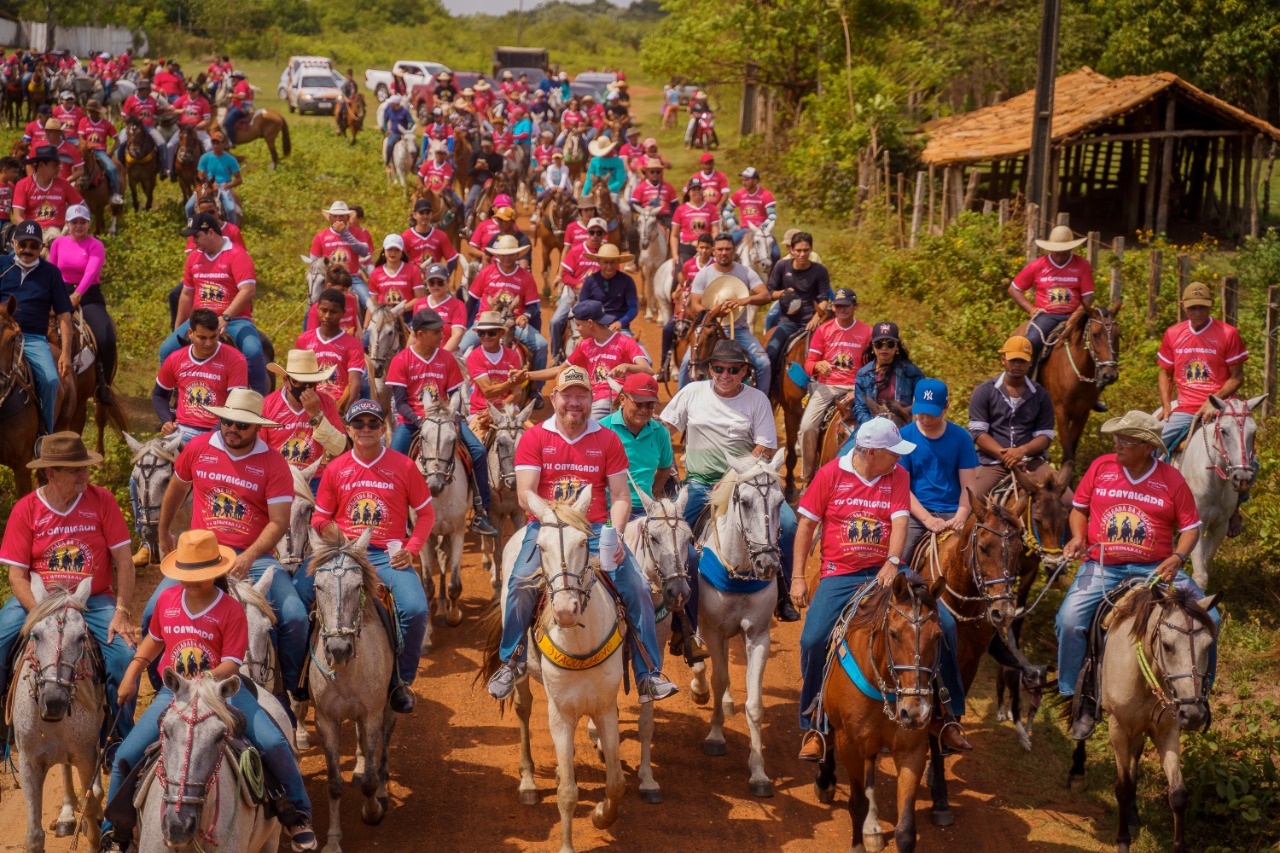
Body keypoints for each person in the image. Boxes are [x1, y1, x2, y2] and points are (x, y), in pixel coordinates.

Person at [100, 530, 317, 853]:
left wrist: (202, 681)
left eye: (199, 575)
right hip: (175, 696)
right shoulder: (167, 601)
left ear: (216, 571)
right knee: (126, 756)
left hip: (224, 693)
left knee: (274, 743)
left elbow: (231, 663)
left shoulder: (229, 609)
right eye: (186, 574)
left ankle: (297, 814)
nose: (191, 581)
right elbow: (154, 640)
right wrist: (132, 672)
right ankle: (114, 833)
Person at [485, 366, 679, 703]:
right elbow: (525, 494)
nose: (574, 402)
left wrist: (614, 536)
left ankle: (648, 673)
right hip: (546, 527)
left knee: (636, 588)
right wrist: (554, 520)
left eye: (582, 395)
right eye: (568, 395)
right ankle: (512, 661)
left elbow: (620, 495)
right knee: (518, 583)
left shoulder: (607, 439)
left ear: (591, 399)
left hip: (594, 532)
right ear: (554, 397)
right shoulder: (535, 438)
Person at [791, 417, 969, 759]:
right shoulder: (830, 474)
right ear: (871, 452)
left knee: (943, 624)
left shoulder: (897, 475)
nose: (899, 460)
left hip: (888, 570)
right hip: (839, 573)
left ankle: (948, 716)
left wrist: (891, 561)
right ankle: (815, 722)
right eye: (893, 453)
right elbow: (805, 526)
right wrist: (799, 576)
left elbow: (900, 521)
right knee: (812, 639)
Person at [1056, 411, 1219, 739]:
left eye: (1125, 440)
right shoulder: (1101, 467)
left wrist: (1177, 556)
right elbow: (1079, 509)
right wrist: (1077, 537)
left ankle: (1202, 693)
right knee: (1069, 620)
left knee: (1209, 615)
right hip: (1102, 565)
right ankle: (1080, 697)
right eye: (1117, 438)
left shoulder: (1171, 479)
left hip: (1156, 569)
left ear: (1147, 446)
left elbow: (1190, 529)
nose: (1117, 445)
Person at [142, 389, 308, 709]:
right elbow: (177, 489)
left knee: (295, 617)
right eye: (227, 421)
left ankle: (287, 691)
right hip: (201, 556)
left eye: (241, 425)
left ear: (258, 428)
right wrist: (164, 533)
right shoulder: (198, 447)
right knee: (151, 612)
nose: (232, 428)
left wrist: (248, 556)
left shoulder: (273, 463)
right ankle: (164, 689)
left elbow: (278, 522)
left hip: (254, 555)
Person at [0, 432, 138, 742]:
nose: (84, 474)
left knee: (125, 657)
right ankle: (4, 728)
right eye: (75, 469)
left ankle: (118, 739)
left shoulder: (102, 500)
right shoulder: (26, 509)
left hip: (94, 600)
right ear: (50, 473)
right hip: (39, 599)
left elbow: (125, 562)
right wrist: (40, 614)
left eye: (85, 467)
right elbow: (16, 576)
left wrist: (122, 611)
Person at [304, 400, 433, 713]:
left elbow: (426, 513)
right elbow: (318, 519)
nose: (365, 429)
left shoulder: (403, 466)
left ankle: (401, 681)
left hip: (387, 556)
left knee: (415, 609)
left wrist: (411, 548)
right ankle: (299, 684)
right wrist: (340, 538)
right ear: (347, 429)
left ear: (382, 428)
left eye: (372, 423)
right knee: (297, 602)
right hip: (344, 555)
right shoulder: (335, 468)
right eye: (358, 424)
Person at [662, 339, 799, 622]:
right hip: (699, 482)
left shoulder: (757, 400)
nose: (725, 375)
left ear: (745, 373)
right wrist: (665, 463)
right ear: (709, 369)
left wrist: (732, 477)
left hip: (746, 481)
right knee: (669, 529)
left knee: (787, 523)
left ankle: (782, 590)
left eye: (733, 370)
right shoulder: (691, 392)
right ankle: (669, 595)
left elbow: (765, 446)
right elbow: (665, 429)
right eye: (718, 368)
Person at [387, 308, 497, 536]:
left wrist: (453, 418)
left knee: (477, 451)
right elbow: (400, 402)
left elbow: (455, 395)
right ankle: (396, 518)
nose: (442, 335)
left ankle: (480, 511)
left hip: (446, 419)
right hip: (413, 422)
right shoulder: (401, 360)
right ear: (419, 334)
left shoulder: (447, 358)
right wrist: (419, 421)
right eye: (436, 331)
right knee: (391, 461)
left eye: (441, 330)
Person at [161, 213, 267, 395]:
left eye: (196, 236)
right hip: (200, 319)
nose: (193, 242)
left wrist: (225, 317)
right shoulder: (193, 258)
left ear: (211, 232)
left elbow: (248, 290)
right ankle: (173, 399)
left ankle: (258, 402)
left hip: (235, 320)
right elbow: (186, 294)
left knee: (253, 352)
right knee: (166, 350)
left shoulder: (237, 255)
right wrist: (178, 327)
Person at [1157, 281, 1249, 449]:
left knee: (1245, 451)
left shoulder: (1228, 334)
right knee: (1151, 444)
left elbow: (1237, 377)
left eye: (1202, 307)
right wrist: (1166, 405)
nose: (1198, 313)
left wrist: (1213, 402)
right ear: (1182, 305)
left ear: (1211, 305)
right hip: (1186, 407)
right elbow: (1165, 373)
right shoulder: (1173, 333)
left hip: (1223, 405)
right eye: (1192, 308)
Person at [0, 220, 72, 434]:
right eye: (23, 245)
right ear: (14, 243)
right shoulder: (2, 265)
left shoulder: (51, 273)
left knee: (50, 381)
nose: (27, 250)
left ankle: (45, 434)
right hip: (1, 334)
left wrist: (66, 353)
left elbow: (64, 315)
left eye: (33, 245)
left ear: (42, 248)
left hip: (32, 339)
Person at [897, 379, 979, 563]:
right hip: (916, 514)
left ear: (946, 407)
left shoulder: (961, 437)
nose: (925, 419)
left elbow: (969, 486)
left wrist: (960, 515)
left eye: (932, 414)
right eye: (921, 413)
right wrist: (927, 519)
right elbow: (901, 487)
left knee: (982, 556)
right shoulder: (904, 437)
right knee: (899, 558)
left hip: (953, 512)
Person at [528, 299, 652, 420]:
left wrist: (627, 366)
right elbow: (561, 370)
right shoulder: (585, 345)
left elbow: (648, 370)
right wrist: (527, 375)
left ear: (590, 323)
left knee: (585, 428)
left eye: (578, 325)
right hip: (591, 399)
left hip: (616, 399)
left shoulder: (625, 342)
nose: (577, 329)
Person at [966, 335, 1057, 500]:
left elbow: (1045, 436)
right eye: (1013, 360)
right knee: (972, 500)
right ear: (1003, 360)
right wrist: (1006, 456)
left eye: (1022, 361)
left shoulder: (1041, 395)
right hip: (994, 462)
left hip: (1032, 462)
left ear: (1030, 363)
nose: (1017, 365)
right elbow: (978, 433)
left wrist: (1021, 451)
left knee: (1066, 499)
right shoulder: (984, 391)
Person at [797, 287, 871, 480]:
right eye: (838, 306)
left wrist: (860, 389)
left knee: (884, 424)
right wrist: (817, 365)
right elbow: (809, 363)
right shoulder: (823, 330)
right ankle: (807, 475)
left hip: (857, 387)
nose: (842, 309)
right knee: (807, 426)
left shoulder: (867, 332)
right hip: (828, 386)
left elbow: (872, 368)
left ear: (855, 306)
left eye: (846, 306)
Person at [681, 234, 772, 389]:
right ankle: (679, 407)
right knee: (686, 363)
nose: (724, 252)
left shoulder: (745, 272)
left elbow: (765, 295)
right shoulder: (704, 273)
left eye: (727, 249)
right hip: (709, 330)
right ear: (713, 252)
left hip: (739, 330)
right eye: (720, 249)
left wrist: (745, 300)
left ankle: (762, 404)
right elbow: (695, 304)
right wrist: (715, 313)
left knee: (764, 363)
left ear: (734, 250)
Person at [150, 307, 248, 451]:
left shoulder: (236, 360)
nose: (208, 343)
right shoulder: (175, 359)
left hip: (220, 432)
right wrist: (167, 422)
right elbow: (159, 394)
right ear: (190, 333)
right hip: (181, 430)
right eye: (202, 337)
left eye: (213, 337)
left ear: (219, 332)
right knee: (143, 470)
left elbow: (235, 405)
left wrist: (211, 437)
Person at [49, 204, 116, 404]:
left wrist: (78, 293)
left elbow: (91, 272)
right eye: (74, 222)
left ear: (89, 223)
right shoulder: (58, 243)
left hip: (88, 295)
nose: (79, 226)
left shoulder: (95, 245)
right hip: (61, 291)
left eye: (83, 222)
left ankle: (104, 385)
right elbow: (52, 270)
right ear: (67, 224)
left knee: (105, 336)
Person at [1010, 225, 1095, 371]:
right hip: (1047, 315)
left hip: (1076, 314)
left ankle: (1098, 381)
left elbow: (1087, 297)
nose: (1060, 254)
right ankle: (1025, 383)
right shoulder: (1038, 265)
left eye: (1064, 250)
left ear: (1070, 248)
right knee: (1031, 342)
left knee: (1100, 339)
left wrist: (1075, 316)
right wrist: (1030, 309)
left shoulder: (1082, 265)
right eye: (1056, 251)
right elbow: (1014, 289)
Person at [260, 350, 347, 492]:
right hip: (277, 477)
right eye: (298, 381)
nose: (305, 387)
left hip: (313, 479)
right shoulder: (268, 405)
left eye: (311, 382)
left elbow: (338, 448)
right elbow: (259, 451)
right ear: (286, 381)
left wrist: (316, 415)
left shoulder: (326, 403)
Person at [460, 235, 548, 375]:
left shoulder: (526, 277)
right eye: (503, 255)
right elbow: (471, 301)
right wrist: (462, 326)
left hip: (513, 323)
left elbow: (532, 305)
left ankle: (536, 389)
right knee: (462, 348)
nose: (507, 257)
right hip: (484, 322)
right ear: (497, 255)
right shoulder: (486, 273)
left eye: (511, 254)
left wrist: (525, 315)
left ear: (518, 255)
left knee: (541, 345)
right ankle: (462, 390)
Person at [764, 231, 830, 382]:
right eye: (798, 250)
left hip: (813, 323)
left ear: (811, 249)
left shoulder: (820, 271)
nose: (802, 254)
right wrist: (783, 293)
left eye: (806, 250)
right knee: (770, 353)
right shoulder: (782, 266)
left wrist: (815, 319)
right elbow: (770, 292)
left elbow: (824, 298)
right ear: (791, 250)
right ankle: (768, 389)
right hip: (788, 321)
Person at [297, 287, 365, 413]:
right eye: (324, 310)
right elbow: (297, 378)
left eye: (333, 312)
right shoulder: (304, 340)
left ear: (343, 313)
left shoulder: (353, 344)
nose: (327, 316)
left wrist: (345, 409)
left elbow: (354, 382)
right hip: (311, 403)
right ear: (317, 309)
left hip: (341, 404)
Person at [657, 232, 714, 382]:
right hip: (688, 309)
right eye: (701, 247)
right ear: (697, 248)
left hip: (709, 309)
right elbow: (682, 276)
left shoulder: (714, 266)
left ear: (712, 249)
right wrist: (679, 288)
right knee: (668, 329)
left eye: (707, 248)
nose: (703, 251)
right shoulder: (690, 264)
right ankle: (664, 366)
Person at [550, 218, 606, 359]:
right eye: (592, 232)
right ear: (587, 232)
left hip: (599, 299)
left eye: (599, 233)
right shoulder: (576, 251)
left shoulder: (607, 253)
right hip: (573, 295)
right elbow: (565, 275)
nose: (595, 236)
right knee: (555, 321)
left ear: (603, 234)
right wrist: (579, 285)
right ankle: (556, 356)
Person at [851, 322, 923, 428]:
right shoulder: (863, 374)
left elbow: (921, 402)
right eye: (879, 344)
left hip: (903, 427)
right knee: (847, 444)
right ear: (872, 346)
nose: (884, 348)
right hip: (872, 425)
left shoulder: (912, 372)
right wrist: (871, 426)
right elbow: (860, 407)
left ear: (897, 347)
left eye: (890, 344)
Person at [310, 200, 372, 313]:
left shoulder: (357, 232)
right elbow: (313, 263)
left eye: (342, 216)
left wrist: (345, 234)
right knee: (311, 307)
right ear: (330, 218)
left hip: (352, 277)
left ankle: (366, 330)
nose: (338, 219)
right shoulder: (320, 236)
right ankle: (307, 331)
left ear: (348, 218)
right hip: (328, 279)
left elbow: (364, 251)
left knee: (369, 303)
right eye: (335, 216)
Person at [465, 311, 528, 417]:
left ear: (501, 333)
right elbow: (488, 391)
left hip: (509, 407)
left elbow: (517, 393)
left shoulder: (513, 355)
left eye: (491, 333)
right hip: (480, 411)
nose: (486, 336)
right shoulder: (474, 357)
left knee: (529, 433)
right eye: (481, 333)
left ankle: (537, 390)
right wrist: (512, 382)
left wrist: (497, 410)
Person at [12, 145, 83, 238]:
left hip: (56, 231)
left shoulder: (64, 185)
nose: (59, 168)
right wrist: (30, 230)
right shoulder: (23, 185)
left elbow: (81, 207)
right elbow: (17, 216)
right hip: (30, 230)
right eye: (55, 165)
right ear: (41, 165)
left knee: (53, 236)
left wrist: (70, 224)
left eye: (59, 165)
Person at [579, 243, 639, 338]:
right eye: (605, 262)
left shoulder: (627, 281)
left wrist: (620, 322)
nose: (609, 267)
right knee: (576, 351)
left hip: (620, 329)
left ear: (618, 262)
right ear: (599, 261)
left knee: (641, 353)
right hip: (594, 328)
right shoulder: (590, 281)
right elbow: (583, 307)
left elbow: (633, 308)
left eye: (613, 262)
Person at [722, 166, 779, 263]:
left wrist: (763, 227)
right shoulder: (739, 194)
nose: (744, 182)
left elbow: (772, 216)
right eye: (743, 179)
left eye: (747, 179)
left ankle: (774, 276)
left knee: (776, 253)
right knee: (726, 246)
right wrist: (733, 225)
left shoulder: (766, 195)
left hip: (762, 230)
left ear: (756, 181)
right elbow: (726, 211)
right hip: (745, 229)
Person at [119, 79, 170, 176]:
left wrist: (164, 109)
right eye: (148, 90)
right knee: (121, 143)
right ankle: (121, 166)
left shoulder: (151, 99)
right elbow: (124, 116)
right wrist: (136, 119)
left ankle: (163, 168)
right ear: (141, 90)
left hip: (148, 127)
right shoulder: (130, 100)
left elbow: (155, 111)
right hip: (133, 128)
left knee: (162, 143)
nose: (150, 92)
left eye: (150, 90)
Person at [185, 132, 241, 221]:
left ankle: (232, 229)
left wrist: (228, 185)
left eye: (218, 142)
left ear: (224, 143)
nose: (215, 145)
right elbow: (200, 176)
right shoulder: (204, 157)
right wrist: (206, 184)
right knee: (188, 207)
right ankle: (192, 226)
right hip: (207, 185)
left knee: (230, 209)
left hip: (224, 187)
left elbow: (239, 179)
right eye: (213, 142)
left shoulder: (231, 160)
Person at [77, 99, 123, 205]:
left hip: (100, 152)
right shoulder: (84, 121)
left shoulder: (106, 124)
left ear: (99, 112)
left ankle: (116, 193)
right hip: (86, 151)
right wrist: (85, 146)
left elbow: (117, 140)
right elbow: (81, 137)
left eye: (95, 111)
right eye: (91, 111)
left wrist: (111, 152)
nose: (93, 113)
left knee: (111, 168)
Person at [401, 197, 460, 272]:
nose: (425, 216)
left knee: (458, 204)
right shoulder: (405, 237)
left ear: (431, 214)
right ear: (414, 215)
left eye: (427, 213)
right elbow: (400, 260)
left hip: (433, 280)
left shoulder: (441, 236)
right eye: (421, 213)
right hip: (414, 278)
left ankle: (461, 224)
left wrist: (444, 276)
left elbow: (452, 259)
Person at [169, 81, 214, 177]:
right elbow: (170, 110)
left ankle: (209, 172)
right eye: (188, 89)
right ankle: (170, 170)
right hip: (184, 130)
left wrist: (196, 127)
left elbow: (207, 121)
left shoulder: (204, 102)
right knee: (170, 145)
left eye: (192, 90)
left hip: (198, 129)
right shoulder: (183, 99)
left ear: (198, 91)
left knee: (210, 146)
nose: (190, 92)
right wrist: (180, 110)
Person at [669, 178, 717, 266]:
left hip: (705, 248)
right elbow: (674, 235)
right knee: (677, 276)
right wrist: (675, 255)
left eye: (699, 189)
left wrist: (710, 247)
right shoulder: (680, 209)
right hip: (687, 248)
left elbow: (715, 232)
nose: (697, 192)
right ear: (688, 192)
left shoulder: (711, 209)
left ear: (702, 191)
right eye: (693, 189)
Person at [368, 233, 424, 307]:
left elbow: (420, 298)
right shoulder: (375, 273)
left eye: (397, 249)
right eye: (390, 249)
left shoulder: (413, 270)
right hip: (384, 316)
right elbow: (373, 303)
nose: (393, 252)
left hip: (408, 315)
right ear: (384, 251)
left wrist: (402, 309)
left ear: (402, 252)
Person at [421, 263, 466, 351]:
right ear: (426, 283)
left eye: (440, 282)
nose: (436, 286)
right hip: (423, 355)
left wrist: (441, 357)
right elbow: (414, 335)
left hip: (448, 354)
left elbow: (457, 334)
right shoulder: (419, 304)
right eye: (431, 282)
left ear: (448, 282)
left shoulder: (458, 305)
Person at [629, 158, 678, 231]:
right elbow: (633, 204)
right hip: (646, 216)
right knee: (632, 232)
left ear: (661, 173)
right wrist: (644, 212)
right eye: (652, 172)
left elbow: (675, 205)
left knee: (674, 229)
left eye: (658, 172)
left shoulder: (669, 187)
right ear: (647, 172)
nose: (655, 174)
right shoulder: (640, 187)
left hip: (665, 217)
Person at [39, 118, 85, 183]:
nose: (48, 133)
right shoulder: (39, 146)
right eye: (46, 131)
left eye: (51, 131)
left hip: (63, 185)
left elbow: (80, 170)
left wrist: (68, 180)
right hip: (43, 184)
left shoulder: (71, 148)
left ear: (59, 133)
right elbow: (29, 164)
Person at [380, 94, 415, 174]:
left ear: (396, 103)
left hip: (403, 134)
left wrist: (408, 131)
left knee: (416, 147)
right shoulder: (389, 110)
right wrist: (387, 129)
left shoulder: (405, 111)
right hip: (394, 134)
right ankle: (388, 164)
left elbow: (412, 122)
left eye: (392, 103)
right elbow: (385, 121)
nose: (390, 104)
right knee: (389, 145)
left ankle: (413, 166)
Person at [222, 70, 253, 148]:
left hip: (241, 108)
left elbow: (242, 96)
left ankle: (232, 142)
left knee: (227, 123)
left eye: (234, 78)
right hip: (238, 106)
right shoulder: (240, 84)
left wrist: (231, 95)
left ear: (237, 78)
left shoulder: (241, 84)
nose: (233, 80)